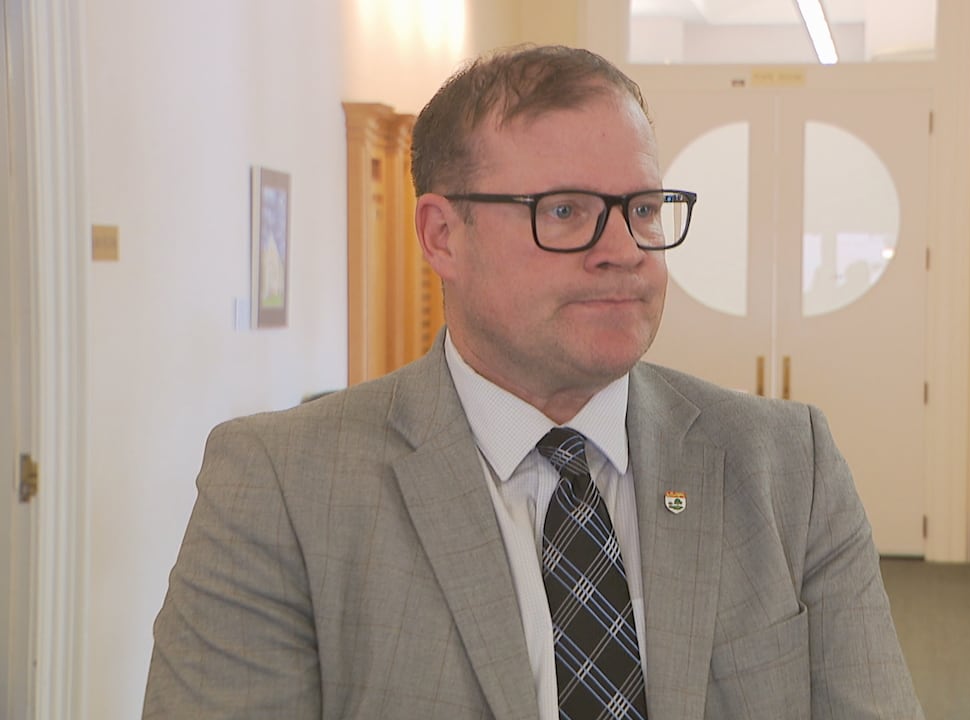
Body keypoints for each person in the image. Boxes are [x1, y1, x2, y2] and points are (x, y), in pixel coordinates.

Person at [143, 44, 923, 720]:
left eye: (643, 208)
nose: (624, 249)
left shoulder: (788, 466)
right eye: (565, 211)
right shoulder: (282, 487)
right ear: (443, 236)